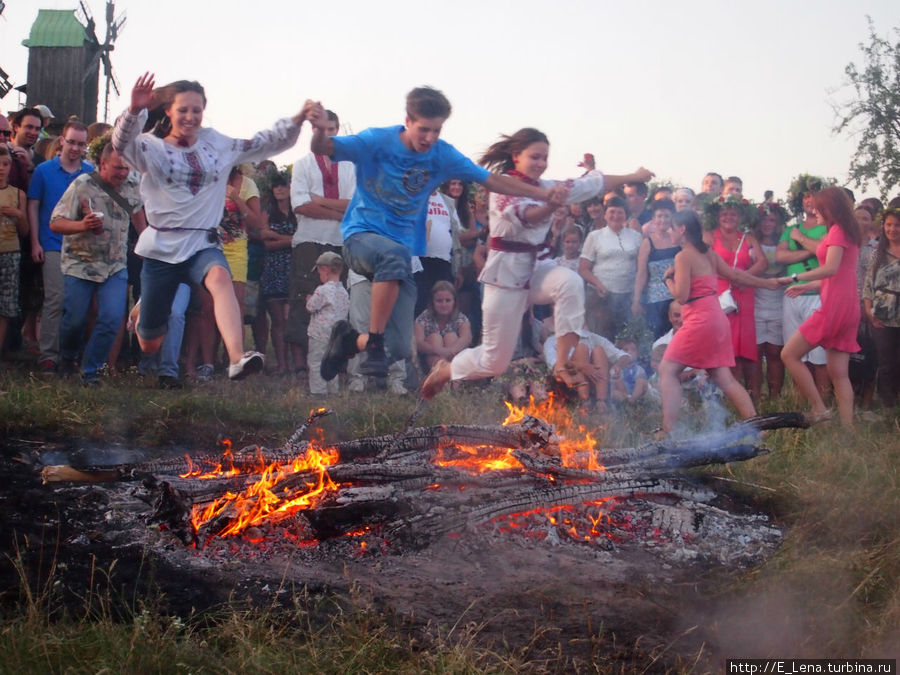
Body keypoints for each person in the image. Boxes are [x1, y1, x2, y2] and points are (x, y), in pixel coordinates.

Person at [307, 89, 572, 383]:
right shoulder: (376, 141)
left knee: (397, 347)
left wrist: (544, 193)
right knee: (392, 256)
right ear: (407, 121)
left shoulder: (442, 155)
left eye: (437, 130)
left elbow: (494, 180)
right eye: (424, 129)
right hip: (361, 239)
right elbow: (323, 147)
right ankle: (373, 344)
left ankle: (348, 340)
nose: (430, 138)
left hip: (401, 254)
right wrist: (318, 129)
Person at [421, 126, 653, 398]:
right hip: (506, 275)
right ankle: (445, 371)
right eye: (535, 157)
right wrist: (551, 205)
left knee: (570, 282)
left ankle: (564, 362)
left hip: (538, 267)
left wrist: (633, 176)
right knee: (494, 361)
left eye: (545, 158)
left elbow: (594, 182)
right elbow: (526, 215)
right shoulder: (502, 186)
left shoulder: (547, 187)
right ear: (516, 155)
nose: (541, 164)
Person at [112, 72, 306, 380]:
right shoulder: (151, 148)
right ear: (168, 112)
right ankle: (144, 309)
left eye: (197, 110)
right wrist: (134, 110)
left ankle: (236, 357)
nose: (190, 117)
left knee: (220, 278)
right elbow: (121, 144)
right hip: (162, 247)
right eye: (183, 110)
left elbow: (262, 143)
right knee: (150, 343)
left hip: (202, 242)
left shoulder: (217, 144)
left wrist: (297, 119)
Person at [659, 211, 779, 435]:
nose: (669, 232)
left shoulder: (683, 256)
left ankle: (667, 430)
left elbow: (682, 296)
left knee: (667, 369)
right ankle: (757, 427)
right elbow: (736, 275)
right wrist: (767, 283)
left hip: (700, 320)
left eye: (672, 228)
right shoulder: (709, 254)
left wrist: (667, 279)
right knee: (724, 377)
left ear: (682, 229)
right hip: (716, 317)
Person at [49, 139, 146, 385]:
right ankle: (68, 357)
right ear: (103, 163)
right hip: (80, 264)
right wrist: (82, 225)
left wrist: (145, 241)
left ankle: (90, 371)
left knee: (112, 318)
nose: (123, 173)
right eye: (117, 168)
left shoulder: (133, 184)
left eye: (126, 168)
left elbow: (136, 213)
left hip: (114, 265)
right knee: (75, 320)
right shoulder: (82, 185)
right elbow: (56, 222)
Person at [778, 187, 862, 427]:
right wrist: (807, 286)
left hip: (834, 308)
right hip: (846, 306)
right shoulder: (847, 231)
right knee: (839, 374)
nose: (814, 210)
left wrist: (795, 278)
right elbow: (838, 274)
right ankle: (847, 431)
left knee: (789, 354)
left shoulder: (837, 231)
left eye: (817, 206)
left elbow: (831, 269)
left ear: (829, 208)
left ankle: (819, 408)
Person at [287, 109, 355, 373]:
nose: (327, 134)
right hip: (309, 241)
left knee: (339, 304)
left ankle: (334, 365)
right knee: (305, 300)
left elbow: (354, 206)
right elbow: (301, 205)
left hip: (340, 242)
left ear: (337, 130)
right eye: (321, 129)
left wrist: (321, 201)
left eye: (331, 129)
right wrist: (338, 211)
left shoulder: (350, 166)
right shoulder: (303, 164)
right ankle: (302, 368)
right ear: (314, 131)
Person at [27, 119, 93, 373]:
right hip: (52, 242)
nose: (75, 148)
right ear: (62, 141)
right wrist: (35, 241)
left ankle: (70, 354)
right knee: (55, 298)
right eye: (72, 142)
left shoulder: (89, 173)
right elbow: (34, 206)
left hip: (81, 245)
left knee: (76, 303)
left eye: (81, 144)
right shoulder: (44, 171)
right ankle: (48, 355)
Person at [704, 195, 767, 390]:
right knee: (723, 345)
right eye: (724, 213)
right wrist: (732, 276)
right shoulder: (708, 236)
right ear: (717, 216)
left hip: (743, 294)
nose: (728, 217)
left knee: (746, 349)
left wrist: (745, 277)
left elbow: (763, 263)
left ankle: (750, 395)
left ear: (740, 216)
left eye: (733, 214)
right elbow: (704, 263)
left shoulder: (747, 238)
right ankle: (724, 393)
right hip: (720, 296)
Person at [776, 174, 831, 396]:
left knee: (819, 354)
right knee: (795, 351)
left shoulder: (828, 227)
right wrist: (811, 248)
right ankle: (804, 401)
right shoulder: (791, 229)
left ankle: (824, 400)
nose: (810, 201)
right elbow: (780, 257)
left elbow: (828, 250)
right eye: (806, 197)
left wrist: (800, 241)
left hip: (818, 293)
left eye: (815, 196)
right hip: (792, 295)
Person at [579, 195, 642, 339]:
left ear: (625, 214)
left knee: (624, 337)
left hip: (627, 295)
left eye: (620, 212)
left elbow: (641, 268)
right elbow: (583, 268)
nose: (616, 216)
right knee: (599, 337)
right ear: (605, 215)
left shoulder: (636, 236)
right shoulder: (595, 236)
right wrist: (598, 284)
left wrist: (637, 297)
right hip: (600, 296)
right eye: (612, 212)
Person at [749, 201, 789, 403]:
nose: (767, 223)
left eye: (772, 219)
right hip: (755, 297)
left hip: (778, 297)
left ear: (778, 222)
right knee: (755, 350)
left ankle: (775, 395)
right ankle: (755, 395)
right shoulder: (750, 241)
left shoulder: (784, 244)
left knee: (775, 351)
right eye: (764, 219)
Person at [258, 174, 297, 375]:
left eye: (283, 186)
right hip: (273, 270)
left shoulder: (297, 211)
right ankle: (282, 364)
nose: (279, 190)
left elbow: (301, 239)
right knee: (278, 320)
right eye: (276, 186)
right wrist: (290, 239)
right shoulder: (268, 212)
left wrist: (277, 237)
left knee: (292, 318)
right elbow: (266, 241)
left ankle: (297, 362)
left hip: (294, 269)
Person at [862, 206, 900, 408]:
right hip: (882, 314)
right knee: (885, 363)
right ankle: (888, 406)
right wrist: (868, 310)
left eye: (897, 225)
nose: (893, 229)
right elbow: (868, 284)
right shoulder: (878, 253)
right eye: (889, 225)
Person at [632, 198, 680, 338]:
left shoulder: (678, 241)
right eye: (659, 216)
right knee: (657, 338)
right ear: (653, 219)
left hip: (676, 298)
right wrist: (636, 300)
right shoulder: (648, 243)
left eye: (666, 216)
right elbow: (641, 273)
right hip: (655, 301)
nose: (663, 220)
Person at [306, 251, 350, 396]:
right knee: (332, 363)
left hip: (319, 334)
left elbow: (310, 307)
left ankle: (318, 392)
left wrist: (309, 299)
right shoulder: (344, 292)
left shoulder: (322, 290)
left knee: (316, 362)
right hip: (336, 336)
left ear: (324, 270)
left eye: (319, 272)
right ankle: (333, 390)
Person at [0, 146, 28, 358]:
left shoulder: (18, 195)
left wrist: (19, 214)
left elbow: (25, 231)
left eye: (5, 164)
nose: (1, 169)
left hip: (10, 252)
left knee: (6, 307)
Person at [414, 280, 471, 371]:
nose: (444, 305)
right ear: (432, 302)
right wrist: (438, 350)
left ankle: (451, 380)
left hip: (454, 358)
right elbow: (418, 343)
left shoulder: (461, 319)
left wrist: (449, 351)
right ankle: (443, 375)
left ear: (454, 302)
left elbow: (465, 339)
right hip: (429, 361)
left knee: (450, 337)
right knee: (435, 337)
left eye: (448, 300)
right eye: (439, 301)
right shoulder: (423, 318)